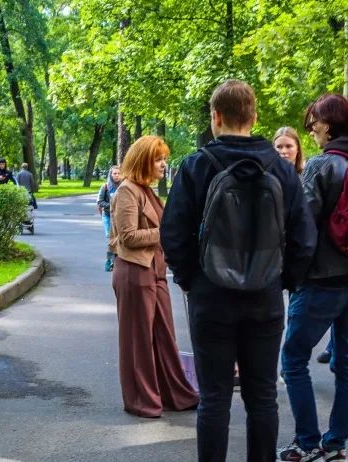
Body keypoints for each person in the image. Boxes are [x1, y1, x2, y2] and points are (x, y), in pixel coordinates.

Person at [161, 80, 315, 462]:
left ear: (215, 117)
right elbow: (305, 238)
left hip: (211, 296)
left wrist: (191, 280)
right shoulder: (281, 169)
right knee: (262, 395)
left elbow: (173, 233)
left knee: (213, 398)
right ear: (254, 116)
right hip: (265, 296)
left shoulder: (198, 165)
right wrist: (283, 281)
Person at [276, 93, 348, 462]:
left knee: (293, 358)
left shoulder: (323, 165)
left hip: (322, 280)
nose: (312, 129)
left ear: (330, 123)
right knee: (347, 365)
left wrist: (290, 273)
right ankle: (335, 443)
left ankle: (306, 441)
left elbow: (302, 227)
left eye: (315, 122)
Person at [110, 136, 198, 419]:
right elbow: (127, 237)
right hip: (135, 273)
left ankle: (176, 395)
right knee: (138, 341)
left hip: (155, 271)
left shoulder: (146, 191)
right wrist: (168, 231)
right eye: (159, 159)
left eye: (164, 159)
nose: (164, 164)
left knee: (164, 337)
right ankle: (141, 400)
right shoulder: (127, 190)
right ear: (144, 161)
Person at [97, 166, 123, 272]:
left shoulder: (124, 186)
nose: (117, 176)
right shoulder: (106, 186)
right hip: (107, 216)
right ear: (111, 175)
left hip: (120, 217)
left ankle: (116, 260)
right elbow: (100, 201)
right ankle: (109, 261)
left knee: (118, 239)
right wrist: (111, 205)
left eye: (118, 173)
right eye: (114, 173)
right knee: (111, 238)